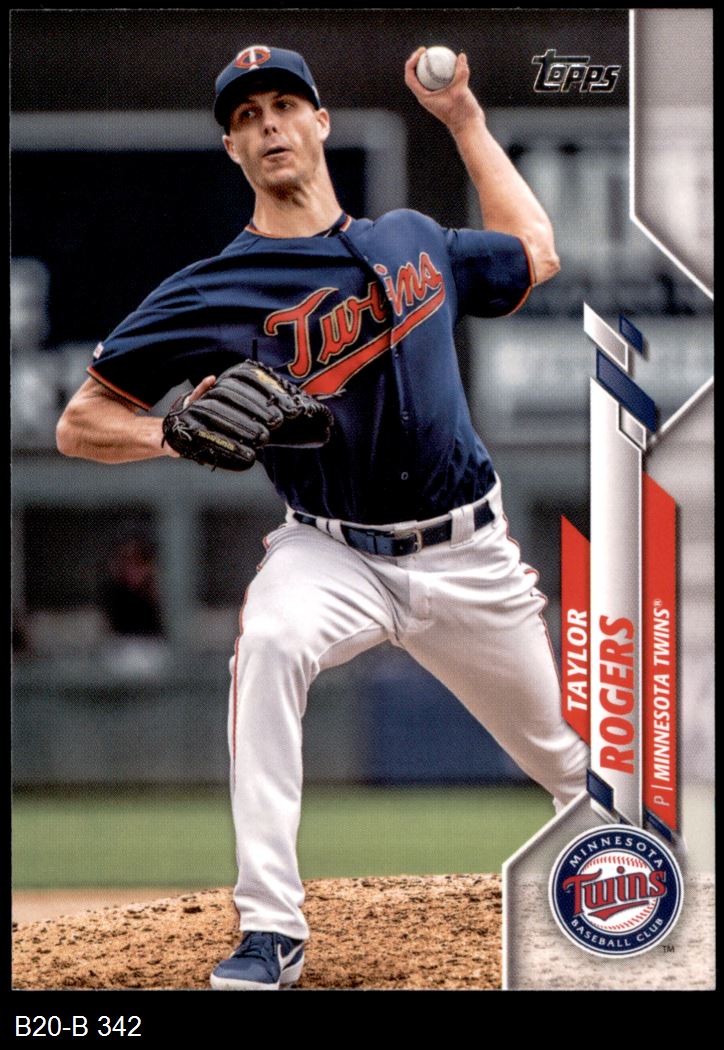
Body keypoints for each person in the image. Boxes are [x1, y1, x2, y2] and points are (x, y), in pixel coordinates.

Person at [56, 44, 589, 991]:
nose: (268, 124)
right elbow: (79, 423)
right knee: (268, 643)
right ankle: (271, 928)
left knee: (579, 774)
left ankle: (623, 897)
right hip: (329, 550)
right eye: (246, 116)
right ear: (232, 148)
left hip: (469, 555)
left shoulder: (414, 238)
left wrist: (465, 119)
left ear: (320, 123)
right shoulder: (210, 289)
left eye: (283, 105)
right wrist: (169, 433)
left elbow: (536, 252)